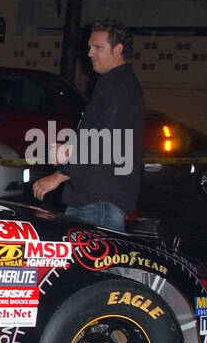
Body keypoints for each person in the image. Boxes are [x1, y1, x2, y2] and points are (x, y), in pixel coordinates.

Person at [32, 19, 144, 230]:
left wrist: (57, 177)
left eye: (98, 47)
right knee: (82, 261)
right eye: (90, 47)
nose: (90, 53)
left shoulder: (120, 87)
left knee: (99, 261)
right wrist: (67, 152)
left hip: (100, 200)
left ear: (117, 49)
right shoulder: (110, 84)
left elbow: (102, 141)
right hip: (87, 196)